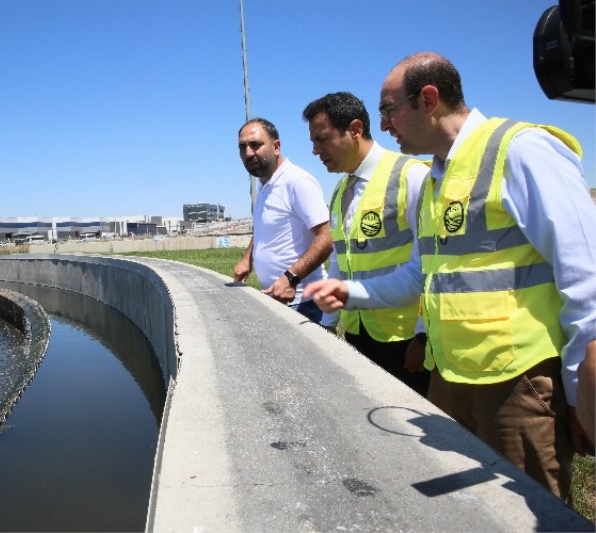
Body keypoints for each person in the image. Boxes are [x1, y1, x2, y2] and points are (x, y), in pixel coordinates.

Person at [304, 52, 596, 501]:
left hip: (517, 383)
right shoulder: (437, 178)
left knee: (529, 509)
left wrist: (580, 392)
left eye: (387, 110)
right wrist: (350, 292)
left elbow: (586, 279)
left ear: (428, 99)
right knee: (469, 512)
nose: (383, 125)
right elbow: (421, 276)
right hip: (452, 380)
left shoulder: (520, 151)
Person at [301, 92, 430, 397]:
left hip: (404, 339)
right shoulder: (340, 191)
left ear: (355, 129)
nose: (315, 150)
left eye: (322, 139)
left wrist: (424, 337)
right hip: (359, 333)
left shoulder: (411, 177)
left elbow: (432, 264)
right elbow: (340, 261)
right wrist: (329, 322)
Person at [234, 118, 332, 323]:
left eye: (255, 145)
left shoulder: (297, 182)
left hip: (304, 303)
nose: (248, 153)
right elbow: (265, 228)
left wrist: (291, 278)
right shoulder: (264, 185)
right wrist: (247, 258)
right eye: (243, 148)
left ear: (276, 147)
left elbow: (328, 236)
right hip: (277, 299)